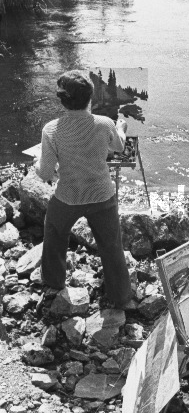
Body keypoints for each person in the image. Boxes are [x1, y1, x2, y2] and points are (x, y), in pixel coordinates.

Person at [34, 70, 132, 309]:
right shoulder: (104, 123)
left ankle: (54, 281)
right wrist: (122, 127)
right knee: (111, 245)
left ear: (62, 100)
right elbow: (119, 147)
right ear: (90, 98)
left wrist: (37, 162)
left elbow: (45, 173)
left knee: (55, 232)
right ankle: (120, 297)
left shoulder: (51, 130)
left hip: (68, 195)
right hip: (101, 195)